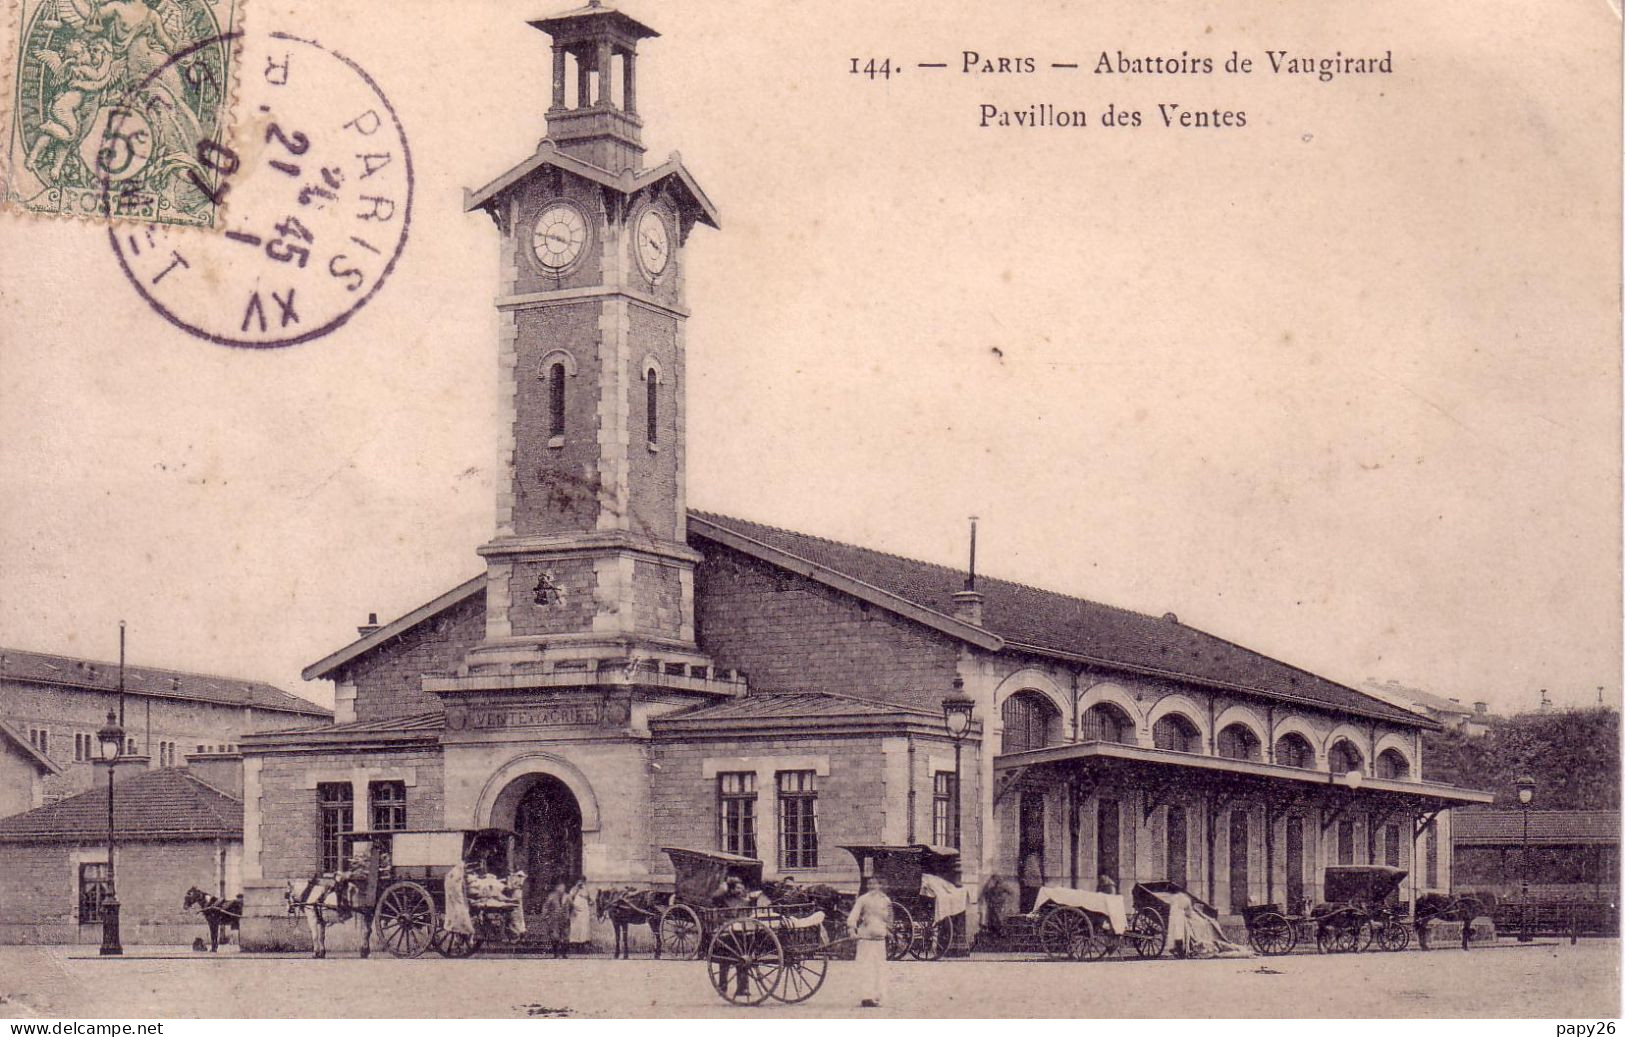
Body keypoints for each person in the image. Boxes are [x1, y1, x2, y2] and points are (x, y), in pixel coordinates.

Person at [846, 877, 893, 1009]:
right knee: (866, 968)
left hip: (879, 940)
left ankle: (877, 996)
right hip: (865, 939)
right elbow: (853, 916)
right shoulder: (863, 899)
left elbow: (890, 918)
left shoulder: (886, 900)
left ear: (880, 885)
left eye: (875, 883)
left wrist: (889, 931)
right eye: (869, 884)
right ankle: (866, 997)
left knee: (880, 968)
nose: (872, 886)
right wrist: (852, 930)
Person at [540, 881, 570, 958]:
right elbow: (545, 906)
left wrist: (570, 915)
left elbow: (572, 906)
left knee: (565, 936)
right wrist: (545, 916)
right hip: (554, 919)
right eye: (561, 888)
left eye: (563, 888)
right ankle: (556, 953)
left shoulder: (567, 896)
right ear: (557, 888)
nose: (562, 890)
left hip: (565, 918)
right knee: (555, 936)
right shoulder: (552, 896)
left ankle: (564, 954)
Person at [568, 878, 593, 950]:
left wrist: (585, 896)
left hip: (584, 911)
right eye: (579, 882)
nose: (581, 883)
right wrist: (576, 890)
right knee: (575, 927)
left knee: (584, 928)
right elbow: (570, 898)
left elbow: (589, 899)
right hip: (575, 911)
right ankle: (575, 945)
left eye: (582, 882)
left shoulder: (586, 890)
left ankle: (583, 945)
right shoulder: (573, 889)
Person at [1018, 849, 1045, 913]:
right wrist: (1041, 880)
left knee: (1030, 898)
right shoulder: (1032, 858)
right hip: (1034, 883)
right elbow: (1036, 871)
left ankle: (1030, 911)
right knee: (1033, 899)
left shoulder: (1029, 858)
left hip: (1030, 883)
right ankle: (1031, 912)